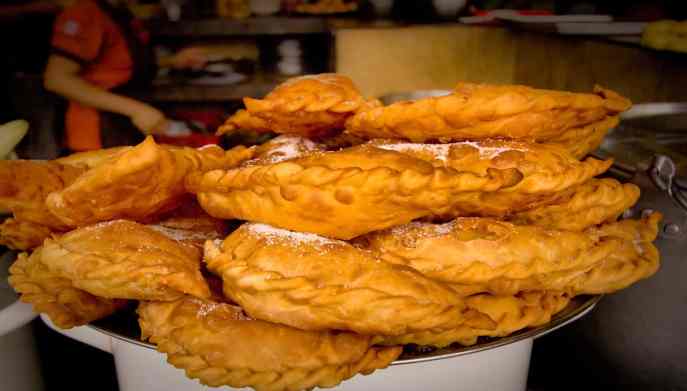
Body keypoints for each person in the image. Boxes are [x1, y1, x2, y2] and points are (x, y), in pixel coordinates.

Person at [43, 0, 204, 151]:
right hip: (97, 132)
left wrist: (171, 61)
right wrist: (137, 110)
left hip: (126, 126)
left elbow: (116, 62)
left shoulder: (120, 12)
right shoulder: (84, 13)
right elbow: (57, 79)